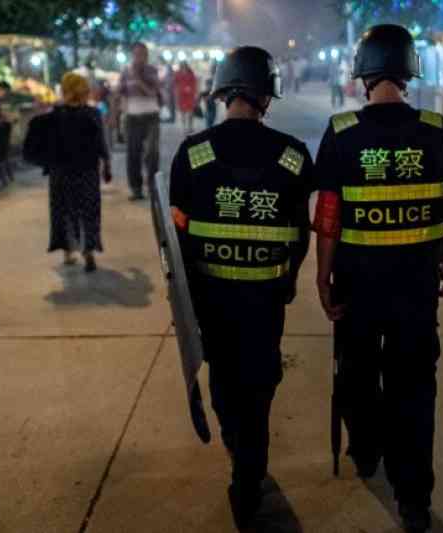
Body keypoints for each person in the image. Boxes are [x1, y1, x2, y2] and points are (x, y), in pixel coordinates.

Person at [313, 24, 443, 533]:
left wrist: (322, 277)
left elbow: (328, 216)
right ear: (408, 74)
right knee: (414, 390)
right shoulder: (435, 129)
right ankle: (414, 499)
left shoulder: (341, 132)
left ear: (363, 76)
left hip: (357, 287)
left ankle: (365, 450)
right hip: (416, 289)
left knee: (357, 374)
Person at [169, 46, 313, 530]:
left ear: (223, 92)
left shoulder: (193, 154)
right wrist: (288, 282)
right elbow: (300, 235)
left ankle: (239, 453)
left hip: (211, 304)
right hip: (266, 302)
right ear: (266, 97)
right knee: (259, 386)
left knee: (225, 382)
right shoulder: (293, 156)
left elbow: (178, 239)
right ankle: (249, 476)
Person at [45, 72, 112, 273]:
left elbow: (48, 146)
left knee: (64, 211)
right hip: (87, 171)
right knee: (88, 211)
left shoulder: (55, 113)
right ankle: (88, 251)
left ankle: (67, 252)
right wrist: (107, 165)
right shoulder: (93, 113)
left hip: (61, 173)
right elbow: (101, 142)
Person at [117, 42, 162, 201]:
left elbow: (152, 92)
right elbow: (120, 93)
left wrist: (138, 79)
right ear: (132, 55)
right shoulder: (125, 72)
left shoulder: (152, 71)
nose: (140, 58)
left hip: (151, 116)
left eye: (143, 54)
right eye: (137, 54)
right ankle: (136, 188)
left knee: (152, 152)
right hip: (132, 116)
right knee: (133, 153)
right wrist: (118, 115)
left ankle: (153, 186)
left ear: (147, 56)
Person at [174, 61, 199, 135]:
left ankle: (190, 126)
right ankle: (184, 127)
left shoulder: (191, 73)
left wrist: (194, 91)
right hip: (181, 95)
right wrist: (177, 91)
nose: (184, 67)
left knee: (191, 112)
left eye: (185, 66)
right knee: (182, 112)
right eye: (182, 66)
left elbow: (194, 83)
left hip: (190, 95)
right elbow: (175, 83)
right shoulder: (177, 73)